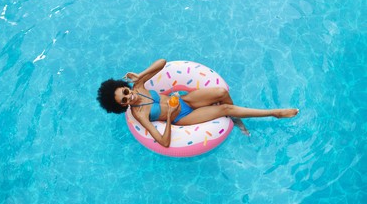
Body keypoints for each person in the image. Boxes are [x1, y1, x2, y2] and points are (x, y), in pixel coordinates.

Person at [97, 59, 299, 147]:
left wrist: (140, 74)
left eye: (125, 91)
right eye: (124, 100)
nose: (129, 97)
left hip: (185, 100)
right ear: (122, 106)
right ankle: (273, 113)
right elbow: (164, 142)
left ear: (125, 85)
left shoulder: (139, 85)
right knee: (224, 108)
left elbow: (162, 62)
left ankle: (236, 117)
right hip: (182, 117)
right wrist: (168, 116)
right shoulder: (140, 115)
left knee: (221, 92)